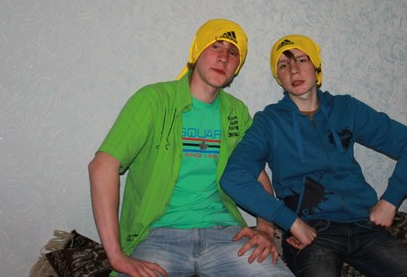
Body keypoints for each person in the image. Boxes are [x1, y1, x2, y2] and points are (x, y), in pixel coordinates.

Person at [88, 19, 292, 277]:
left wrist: (265, 227)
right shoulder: (153, 100)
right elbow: (102, 166)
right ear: (197, 52)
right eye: (216, 46)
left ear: (236, 68)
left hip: (225, 234)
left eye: (233, 53)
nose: (223, 57)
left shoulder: (236, 112)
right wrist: (116, 256)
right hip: (158, 236)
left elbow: (256, 173)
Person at [221, 34, 407, 277]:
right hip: (312, 233)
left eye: (302, 60)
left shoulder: (347, 108)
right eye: (283, 65)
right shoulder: (269, 122)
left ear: (316, 67)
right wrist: (292, 222)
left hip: (364, 226)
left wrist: (390, 201)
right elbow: (234, 177)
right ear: (278, 78)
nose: (293, 70)